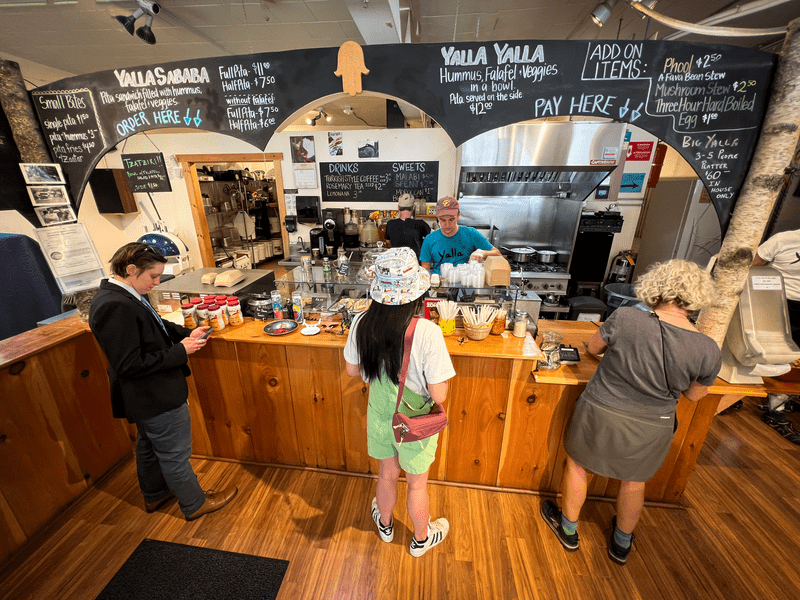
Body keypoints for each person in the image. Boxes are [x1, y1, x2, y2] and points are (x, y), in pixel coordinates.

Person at [540, 259, 721, 565]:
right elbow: (693, 396)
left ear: (657, 286)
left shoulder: (624, 318)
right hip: (655, 423)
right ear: (697, 296)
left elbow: (593, 349)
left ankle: (569, 530)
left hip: (601, 409)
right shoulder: (708, 348)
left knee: (579, 467)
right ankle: (621, 543)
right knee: (635, 481)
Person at [89, 242, 238, 520]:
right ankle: (195, 503)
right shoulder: (113, 305)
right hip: (154, 395)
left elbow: (156, 324)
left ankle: (155, 494)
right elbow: (129, 365)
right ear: (131, 269)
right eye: (153, 277)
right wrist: (181, 351)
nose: (156, 283)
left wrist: (186, 333)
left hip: (145, 398)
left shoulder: (127, 294)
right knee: (175, 454)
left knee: (148, 447)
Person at [344, 247, 455, 557]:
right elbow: (439, 395)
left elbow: (353, 371)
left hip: (380, 415)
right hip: (414, 421)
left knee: (386, 475)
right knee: (417, 485)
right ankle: (421, 539)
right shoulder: (428, 333)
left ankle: (386, 523)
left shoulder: (362, 322)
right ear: (416, 293)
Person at [752, 228, 800, 443]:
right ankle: (735, 396)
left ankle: (778, 403)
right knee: (764, 350)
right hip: (777, 301)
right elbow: (752, 267)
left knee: (794, 358)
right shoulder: (783, 239)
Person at [419, 196, 501, 275]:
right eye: (443, 220)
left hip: (465, 285)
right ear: (437, 217)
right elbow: (425, 271)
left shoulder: (471, 234)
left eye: (451, 219)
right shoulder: (429, 240)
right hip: (440, 285)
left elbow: (497, 254)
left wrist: (483, 253)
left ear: (458, 215)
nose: (447, 224)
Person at [385, 193, 431, 258]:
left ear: (398, 207)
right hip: (415, 264)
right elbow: (432, 240)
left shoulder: (390, 224)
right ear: (414, 207)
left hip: (397, 263)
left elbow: (388, 242)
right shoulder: (421, 224)